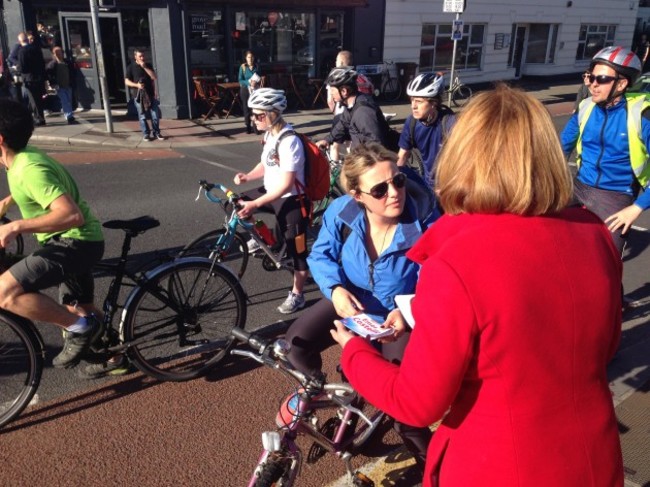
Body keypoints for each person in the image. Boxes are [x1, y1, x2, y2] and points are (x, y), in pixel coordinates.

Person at [331, 85, 624, 487]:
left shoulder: (456, 258)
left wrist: (354, 353)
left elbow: (417, 401)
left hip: (498, 463)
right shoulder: (595, 235)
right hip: (592, 455)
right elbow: (605, 346)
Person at [285, 142, 434, 476]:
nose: (395, 193)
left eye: (398, 181)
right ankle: (341, 400)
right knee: (295, 344)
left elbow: (438, 282)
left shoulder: (424, 224)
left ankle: (433, 469)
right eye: (380, 189)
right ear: (357, 196)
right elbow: (320, 255)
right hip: (352, 303)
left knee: (403, 406)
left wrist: (408, 314)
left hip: (399, 317)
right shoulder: (342, 212)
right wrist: (335, 289)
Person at [0, 98, 107, 371]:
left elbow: (71, 215)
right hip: (81, 239)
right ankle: (116, 356)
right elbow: (34, 188)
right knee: (82, 305)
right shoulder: (22, 158)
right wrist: (6, 204)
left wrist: (15, 226)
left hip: (74, 241)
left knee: (4, 293)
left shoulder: (29, 169)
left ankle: (79, 328)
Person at [561, 46, 650, 258]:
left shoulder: (642, 116)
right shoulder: (586, 108)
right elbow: (561, 147)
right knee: (540, 226)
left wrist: (636, 208)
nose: (592, 84)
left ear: (621, 84)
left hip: (616, 195)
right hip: (580, 185)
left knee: (607, 260)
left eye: (600, 79)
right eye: (590, 77)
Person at [233, 88, 309, 314]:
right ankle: (263, 237)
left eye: (259, 115)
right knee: (236, 203)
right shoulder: (269, 136)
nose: (254, 119)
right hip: (271, 191)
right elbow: (265, 164)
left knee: (298, 253)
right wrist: (247, 175)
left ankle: (298, 295)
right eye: (253, 115)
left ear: (273, 114)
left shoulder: (289, 141)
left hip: (292, 200)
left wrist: (255, 204)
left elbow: (286, 185)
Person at [396, 72, 456, 188]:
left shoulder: (450, 123)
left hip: (448, 185)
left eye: (418, 101)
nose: (413, 106)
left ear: (434, 103)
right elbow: (402, 156)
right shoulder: (412, 122)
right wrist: (396, 181)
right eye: (412, 100)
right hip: (427, 183)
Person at [316, 67, 388, 154]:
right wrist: (327, 140)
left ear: (344, 91)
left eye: (332, 90)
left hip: (371, 161)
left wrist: (360, 161)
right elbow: (342, 124)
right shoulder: (351, 104)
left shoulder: (363, 112)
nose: (331, 93)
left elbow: (376, 143)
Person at [325, 50, 375, 161]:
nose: (335, 62)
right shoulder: (360, 76)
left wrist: (336, 113)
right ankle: (353, 164)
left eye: (336, 60)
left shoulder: (336, 78)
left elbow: (330, 100)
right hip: (356, 114)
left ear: (341, 62)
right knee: (352, 145)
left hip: (342, 114)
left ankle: (335, 171)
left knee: (335, 146)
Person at [125, 49, 164, 142]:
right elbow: (126, 81)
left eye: (143, 56)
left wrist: (145, 67)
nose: (142, 58)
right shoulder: (131, 67)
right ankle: (146, 133)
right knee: (142, 116)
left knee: (155, 115)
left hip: (150, 94)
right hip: (138, 95)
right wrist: (137, 85)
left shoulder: (148, 65)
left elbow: (154, 77)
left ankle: (156, 132)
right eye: (140, 56)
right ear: (135, 57)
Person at [16, 31, 46, 126]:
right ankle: (38, 117)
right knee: (38, 99)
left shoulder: (22, 51)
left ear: (20, 41)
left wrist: (16, 68)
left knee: (34, 100)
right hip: (39, 77)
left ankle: (39, 119)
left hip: (30, 79)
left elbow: (22, 67)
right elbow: (42, 63)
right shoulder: (36, 49)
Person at [46, 46, 76, 124]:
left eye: (60, 53)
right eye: (57, 53)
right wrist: (52, 84)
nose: (59, 55)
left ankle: (67, 113)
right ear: (54, 55)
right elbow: (49, 75)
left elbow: (72, 73)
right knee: (65, 100)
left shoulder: (68, 62)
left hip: (68, 84)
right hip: (59, 86)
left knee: (69, 100)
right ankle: (69, 116)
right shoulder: (52, 64)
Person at [238, 50, 262, 134]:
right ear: (246, 58)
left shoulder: (257, 67)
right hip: (245, 89)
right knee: (246, 108)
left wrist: (256, 82)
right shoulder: (243, 67)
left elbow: (260, 77)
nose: (250, 59)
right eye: (248, 57)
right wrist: (248, 82)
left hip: (255, 90)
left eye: (251, 57)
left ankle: (256, 127)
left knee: (255, 109)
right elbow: (240, 80)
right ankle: (248, 126)